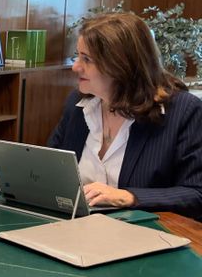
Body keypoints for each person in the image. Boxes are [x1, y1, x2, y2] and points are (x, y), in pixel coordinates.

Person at [48, 12, 202, 219]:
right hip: (75, 226)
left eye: (87, 59)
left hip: (146, 232)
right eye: (77, 56)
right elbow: (51, 169)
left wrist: (129, 197)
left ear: (121, 65)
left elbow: (196, 194)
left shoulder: (183, 111)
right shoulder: (77, 104)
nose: (76, 66)